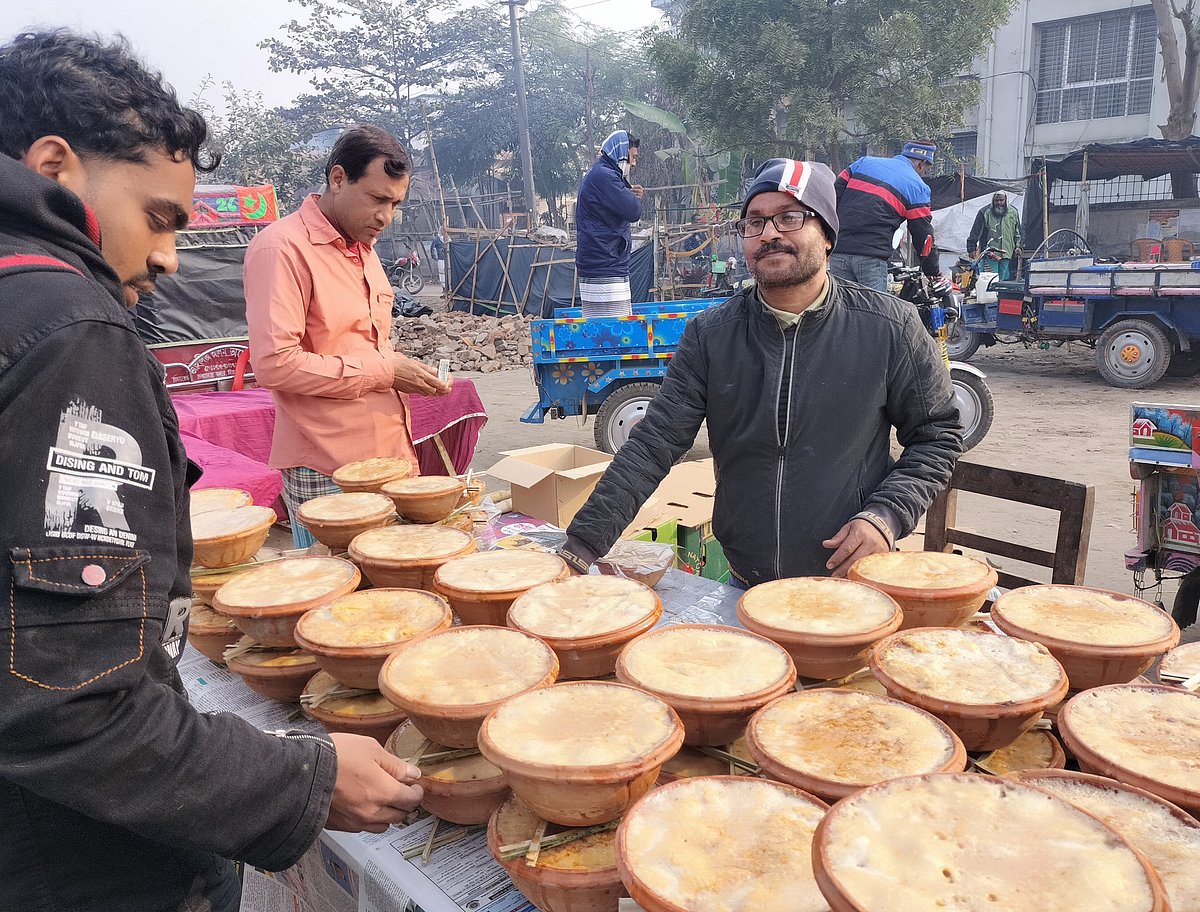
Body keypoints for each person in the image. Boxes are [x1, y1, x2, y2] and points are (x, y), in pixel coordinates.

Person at [0, 32, 423, 912]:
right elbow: (69, 703)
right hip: (79, 864)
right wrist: (295, 780)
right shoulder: (69, 329)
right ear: (56, 167)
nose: (166, 260)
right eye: (158, 218)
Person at [560, 159, 963, 586]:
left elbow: (937, 437)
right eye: (755, 222)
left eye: (789, 217)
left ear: (827, 235)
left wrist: (886, 515)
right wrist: (580, 548)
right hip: (744, 582)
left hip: (849, 583)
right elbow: (652, 446)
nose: (769, 233)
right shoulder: (711, 337)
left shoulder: (890, 328)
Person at [244, 125, 451, 548]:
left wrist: (400, 370)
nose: (386, 217)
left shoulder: (364, 250)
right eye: (377, 199)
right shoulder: (282, 248)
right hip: (328, 468)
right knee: (335, 601)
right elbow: (274, 363)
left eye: (395, 204)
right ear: (338, 179)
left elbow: (363, 346)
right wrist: (384, 371)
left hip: (390, 458)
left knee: (394, 595)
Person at [830, 140, 941, 292]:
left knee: (840, 310)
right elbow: (923, 236)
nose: (923, 175)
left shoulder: (863, 163)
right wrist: (932, 271)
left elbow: (832, 198)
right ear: (922, 164)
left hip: (838, 252)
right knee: (873, 312)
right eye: (925, 171)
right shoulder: (918, 187)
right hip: (871, 258)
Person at [574, 129, 644, 317]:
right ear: (622, 152)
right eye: (633, 157)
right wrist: (634, 199)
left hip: (604, 261)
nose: (634, 163)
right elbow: (633, 211)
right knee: (612, 332)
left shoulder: (603, 174)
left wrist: (629, 193)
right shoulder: (604, 176)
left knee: (607, 331)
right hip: (603, 264)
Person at [967, 191, 1022, 281]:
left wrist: (1019, 246)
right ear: (993, 200)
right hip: (990, 254)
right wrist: (971, 247)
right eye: (996, 200)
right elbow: (975, 231)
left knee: (1003, 280)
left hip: (1007, 253)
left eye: (1001, 200)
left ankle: (1000, 295)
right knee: (990, 279)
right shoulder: (984, 212)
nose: (999, 203)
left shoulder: (1013, 212)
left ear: (1006, 200)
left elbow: (1018, 232)